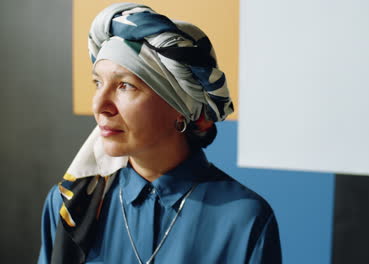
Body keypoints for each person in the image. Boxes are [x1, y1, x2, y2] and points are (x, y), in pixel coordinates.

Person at [38, 3, 281, 264]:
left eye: (125, 86)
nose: (99, 106)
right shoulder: (69, 207)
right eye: (98, 83)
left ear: (181, 108)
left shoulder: (244, 220)